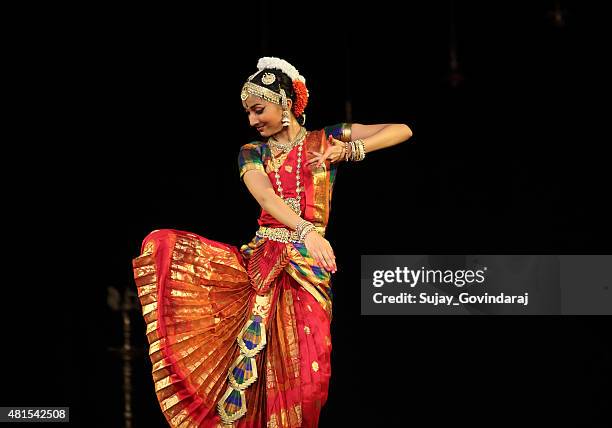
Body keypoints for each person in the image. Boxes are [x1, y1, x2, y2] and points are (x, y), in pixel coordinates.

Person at [132, 57, 413, 427]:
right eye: (248, 113)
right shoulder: (253, 152)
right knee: (256, 372)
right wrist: (306, 232)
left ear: (283, 102)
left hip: (308, 270)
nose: (252, 120)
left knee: (308, 382)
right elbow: (267, 199)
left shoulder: (326, 139)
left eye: (258, 109)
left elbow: (402, 129)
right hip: (263, 262)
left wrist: (352, 150)